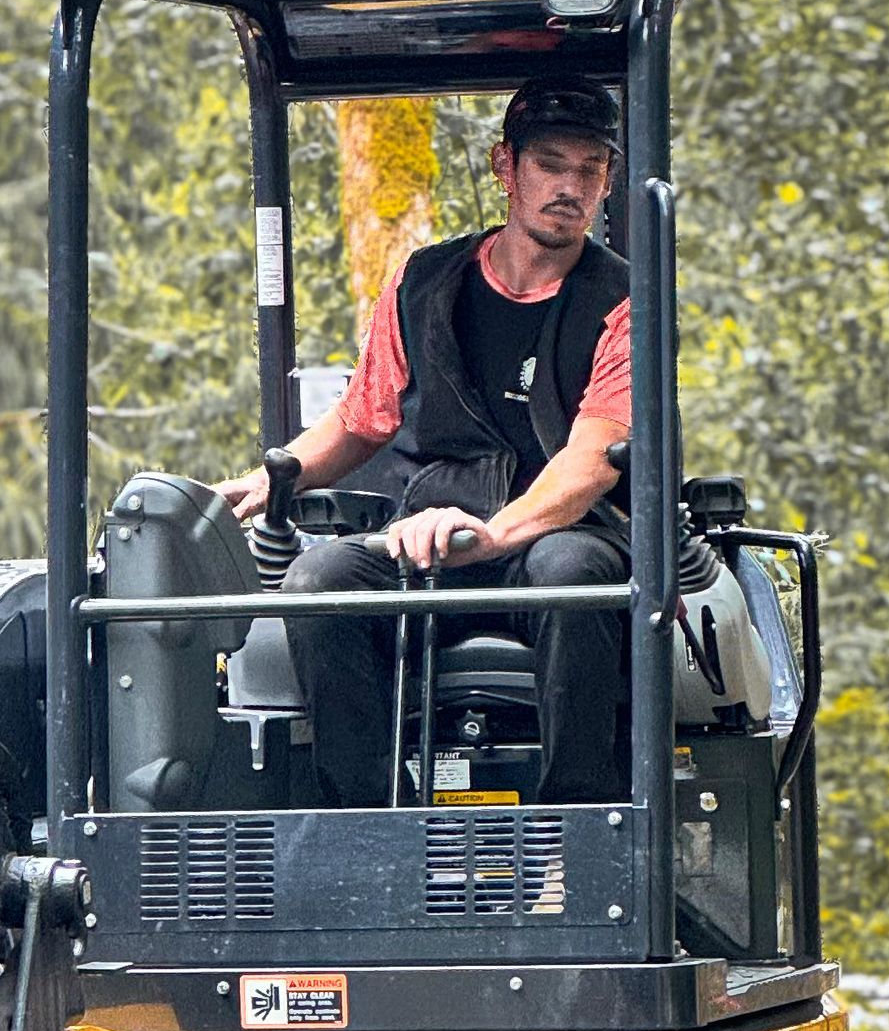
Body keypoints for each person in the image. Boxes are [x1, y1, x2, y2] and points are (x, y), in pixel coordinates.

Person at [221, 76, 631, 806]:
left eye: (590, 169)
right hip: (426, 540)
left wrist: (490, 534)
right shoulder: (424, 283)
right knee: (321, 583)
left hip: (551, 538)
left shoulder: (626, 302)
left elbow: (591, 460)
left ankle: (577, 832)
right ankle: (379, 830)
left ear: (608, 181)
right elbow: (360, 419)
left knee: (577, 573)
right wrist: (275, 479)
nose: (570, 186)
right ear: (506, 167)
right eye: (551, 164)